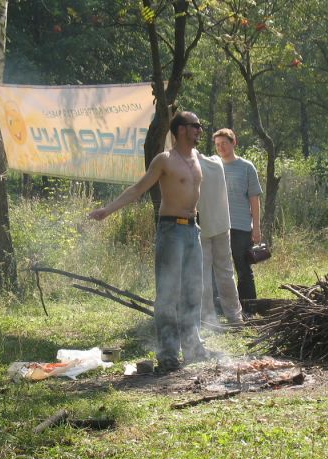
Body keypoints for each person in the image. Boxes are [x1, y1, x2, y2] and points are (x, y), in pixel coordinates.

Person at [88, 111, 210, 372]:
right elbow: (137, 189)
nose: (200, 130)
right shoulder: (164, 160)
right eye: (195, 126)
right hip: (171, 231)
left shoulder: (197, 158)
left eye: (200, 126)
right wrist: (107, 210)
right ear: (179, 130)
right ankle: (168, 353)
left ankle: (193, 347)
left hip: (192, 230)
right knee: (168, 293)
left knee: (193, 291)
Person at [213, 128, 263, 313]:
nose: (221, 147)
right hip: (217, 225)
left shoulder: (246, 167)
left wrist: (256, 227)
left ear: (234, 142)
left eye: (224, 143)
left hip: (240, 226)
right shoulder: (213, 165)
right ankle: (221, 309)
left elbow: (254, 199)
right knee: (217, 269)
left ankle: (249, 307)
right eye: (217, 145)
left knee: (242, 268)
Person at [196, 151, 244, 326]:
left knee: (203, 274)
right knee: (226, 272)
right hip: (222, 225)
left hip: (204, 227)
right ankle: (234, 315)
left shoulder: (194, 165)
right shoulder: (216, 163)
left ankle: (207, 317)